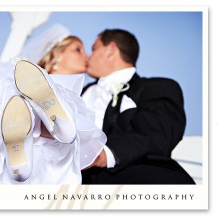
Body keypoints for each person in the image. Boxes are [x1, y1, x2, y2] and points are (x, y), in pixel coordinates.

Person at [0, 24, 106, 184]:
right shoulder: (21, 77)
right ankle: (57, 125)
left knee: (18, 98)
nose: (86, 56)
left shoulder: (84, 93)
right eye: (78, 49)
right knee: (15, 97)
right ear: (56, 53)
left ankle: (29, 136)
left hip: (25, 150)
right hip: (41, 155)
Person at [81, 29, 195, 184]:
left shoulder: (157, 87)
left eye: (94, 49)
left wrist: (104, 153)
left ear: (110, 51)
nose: (88, 57)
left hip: (134, 176)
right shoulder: (80, 92)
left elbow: (156, 135)